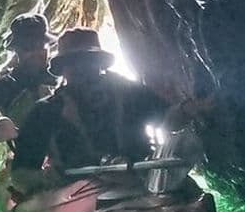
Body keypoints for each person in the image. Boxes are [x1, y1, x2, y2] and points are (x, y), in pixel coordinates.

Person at [10, 27, 192, 193]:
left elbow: (169, 119)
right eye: (74, 63)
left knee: (189, 143)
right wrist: (46, 178)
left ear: (100, 64)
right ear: (64, 69)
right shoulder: (45, 112)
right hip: (79, 194)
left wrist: (187, 110)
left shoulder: (129, 92)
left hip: (141, 179)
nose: (83, 69)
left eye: (89, 61)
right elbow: (20, 176)